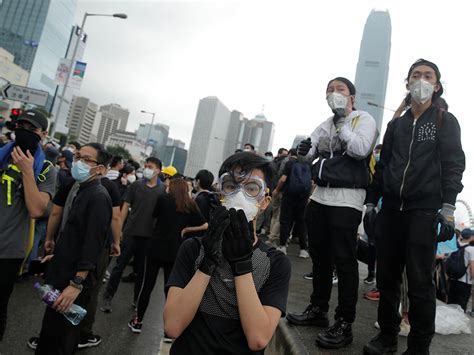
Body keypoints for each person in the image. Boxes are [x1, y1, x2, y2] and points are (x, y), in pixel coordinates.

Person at [363, 59, 465, 355]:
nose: (421, 79)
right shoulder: (397, 124)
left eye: (427, 75)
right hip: (392, 210)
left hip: (424, 211)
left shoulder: (445, 120)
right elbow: (384, 166)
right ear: (407, 83)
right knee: (387, 278)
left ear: (437, 85)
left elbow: (453, 165)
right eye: (415, 75)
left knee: (420, 283)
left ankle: (419, 347)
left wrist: (447, 207)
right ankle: (387, 336)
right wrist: (372, 202)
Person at [163, 152, 291, 354]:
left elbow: (258, 338)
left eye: (251, 188)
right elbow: (172, 326)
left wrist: (242, 264)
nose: (240, 195)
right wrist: (208, 261)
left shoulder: (275, 263)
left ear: (265, 202)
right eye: (231, 186)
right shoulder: (194, 248)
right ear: (221, 194)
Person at [286, 77, 377, 349]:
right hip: (320, 197)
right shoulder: (324, 124)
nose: (334, 94)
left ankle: (344, 322)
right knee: (320, 259)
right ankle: (318, 309)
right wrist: (304, 151)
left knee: (345, 262)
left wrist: (343, 124)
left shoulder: (363, 119)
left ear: (352, 97)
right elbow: (308, 153)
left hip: (347, 200)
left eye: (340, 90)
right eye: (330, 90)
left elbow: (360, 150)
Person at [35, 143, 113, 354]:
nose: (79, 162)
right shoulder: (82, 190)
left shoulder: (98, 196)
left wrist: (77, 283)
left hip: (74, 284)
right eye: (78, 156)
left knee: (61, 341)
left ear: (101, 169)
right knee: (49, 336)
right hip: (63, 275)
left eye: (87, 159)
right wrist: (58, 257)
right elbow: (76, 236)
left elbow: (93, 244)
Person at [0, 109, 57, 343]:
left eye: (31, 128)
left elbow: (36, 209)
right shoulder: (2, 155)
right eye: (20, 126)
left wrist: (26, 171)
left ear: (43, 133)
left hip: (9, 250)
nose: (24, 131)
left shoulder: (45, 169)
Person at [129, 178, 208, 334]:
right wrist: (185, 230)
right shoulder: (189, 204)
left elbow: (154, 216)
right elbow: (205, 224)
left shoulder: (163, 199)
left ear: (171, 187)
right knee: (171, 290)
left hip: (155, 248)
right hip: (174, 251)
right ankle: (168, 329)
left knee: (147, 286)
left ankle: (138, 321)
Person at [101, 157, 165, 313]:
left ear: (158, 170)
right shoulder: (136, 185)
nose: (146, 169)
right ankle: (108, 297)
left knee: (142, 272)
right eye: (145, 166)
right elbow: (124, 209)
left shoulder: (163, 190)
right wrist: (119, 230)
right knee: (119, 266)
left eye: (150, 166)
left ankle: (137, 300)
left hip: (148, 237)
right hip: (130, 233)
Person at [272, 148, 310, 258]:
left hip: (289, 196)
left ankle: (283, 246)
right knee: (301, 223)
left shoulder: (290, 163)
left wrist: (277, 190)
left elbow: (283, 179)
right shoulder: (308, 164)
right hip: (303, 198)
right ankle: (303, 250)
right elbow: (312, 182)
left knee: (285, 221)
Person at [265, 148, 288, 246]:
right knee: (279, 216)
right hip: (284, 192)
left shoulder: (274, 164)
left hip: (275, 190)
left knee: (274, 215)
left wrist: (276, 189)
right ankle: (273, 236)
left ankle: (271, 234)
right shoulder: (289, 163)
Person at [447, 228, 474, 311]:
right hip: (464, 283)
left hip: (453, 279)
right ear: (471, 237)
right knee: (461, 306)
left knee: (451, 303)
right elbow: (472, 267)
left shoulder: (456, 246)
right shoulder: (471, 249)